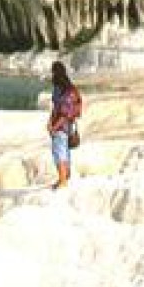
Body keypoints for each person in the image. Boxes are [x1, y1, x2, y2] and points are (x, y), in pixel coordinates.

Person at [47, 61, 83, 190]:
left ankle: (63, 180)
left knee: (59, 151)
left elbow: (63, 113)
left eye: (52, 72)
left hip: (61, 125)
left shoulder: (63, 90)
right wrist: (50, 123)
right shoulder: (70, 88)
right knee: (64, 151)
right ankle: (64, 178)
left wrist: (53, 126)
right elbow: (59, 109)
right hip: (68, 126)